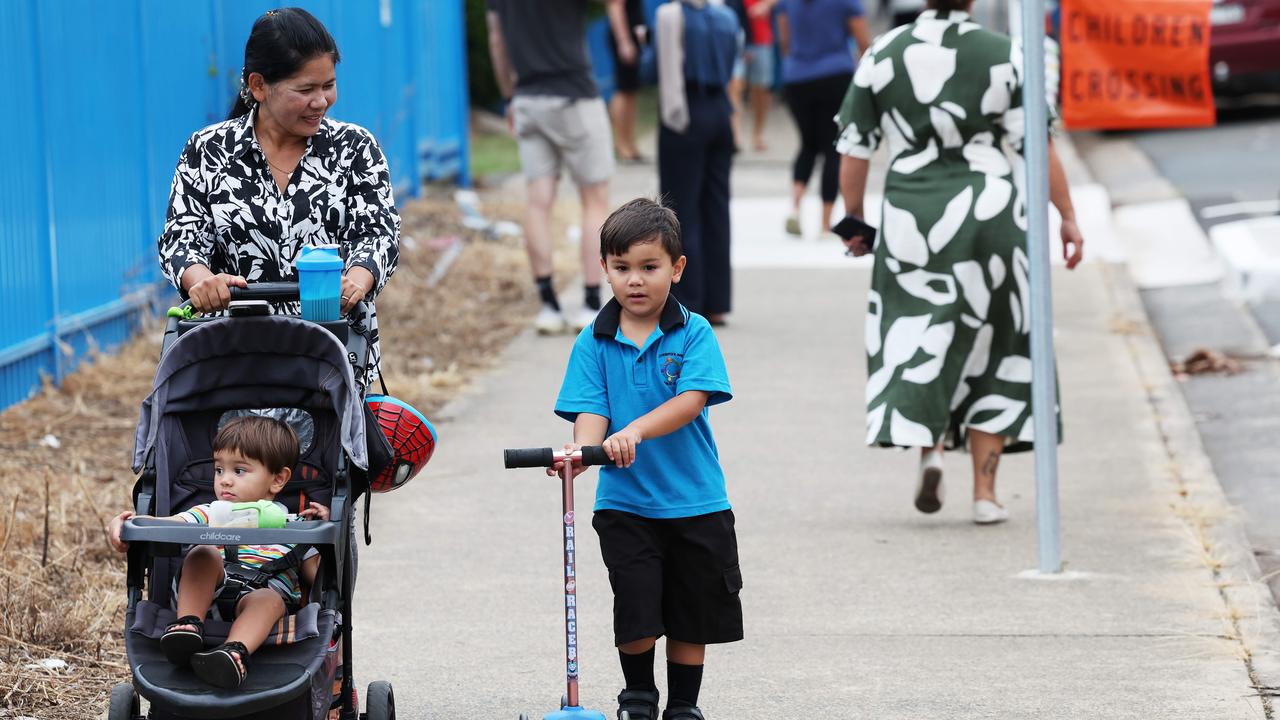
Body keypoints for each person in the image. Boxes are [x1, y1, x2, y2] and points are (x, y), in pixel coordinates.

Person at [835, 0, 1085, 524]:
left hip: (912, 216)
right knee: (996, 343)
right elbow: (1038, 143)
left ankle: (930, 448)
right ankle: (985, 494)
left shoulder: (884, 52)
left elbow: (855, 148)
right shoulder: (1007, 55)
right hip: (992, 212)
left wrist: (855, 220)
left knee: (918, 331)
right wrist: (1066, 216)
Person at [552, 198, 742, 720]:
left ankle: (684, 704)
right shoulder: (594, 340)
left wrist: (634, 429)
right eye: (621, 268)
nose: (634, 281)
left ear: (676, 269)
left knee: (691, 609)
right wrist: (581, 453)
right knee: (635, 602)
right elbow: (591, 410)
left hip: (696, 500)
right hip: (626, 504)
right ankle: (638, 694)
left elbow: (691, 400)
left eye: (649, 267)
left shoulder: (694, 332)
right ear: (606, 271)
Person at [157, 7, 400, 392]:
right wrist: (201, 280)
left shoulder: (355, 149)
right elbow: (181, 238)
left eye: (328, 86)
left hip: (334, 363)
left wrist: (357, 277)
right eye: (306, 90)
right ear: (258, 86)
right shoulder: (208, 152)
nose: (321, 101)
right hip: (233, 364)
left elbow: (379, 233)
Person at [107, 416, 329, 689]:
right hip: (207, 596)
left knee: (269, 599)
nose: (225, 481)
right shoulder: (210, 512)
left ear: (278, 479)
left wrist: (324, 531)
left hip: (261, 607)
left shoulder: (296, 526)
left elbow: (317, 576)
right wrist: (129, 525)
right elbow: (166, 525)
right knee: (203, 553)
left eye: (239, 471)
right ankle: (187, 627)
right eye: (218, 470)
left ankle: (233, 653)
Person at [487, 0, 635, 334]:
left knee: (538, 201)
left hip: (527, 99)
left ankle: (549, 305)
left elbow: (497, 40)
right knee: (595, 200)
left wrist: (510, 96)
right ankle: (591, 301)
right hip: (575, 95)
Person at [655, 0, 741, 325]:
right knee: (717, 208)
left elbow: (666, 70)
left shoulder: (670, 14)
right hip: (720, 110)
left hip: (687, 112)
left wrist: (675, 119)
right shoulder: (726, 15)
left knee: (680, 210)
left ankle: (689, 301)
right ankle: (717, 301)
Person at [776, 0, 871, 239]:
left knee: (807, 143)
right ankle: (825, 223)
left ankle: (795, 208)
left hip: (797, 76)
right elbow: (862, 41)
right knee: (832, 147)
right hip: (834, 74)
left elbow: (784, 40)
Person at [727, 0, 777, 153]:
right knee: (734, 86)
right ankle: (734, 136)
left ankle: (758, 133)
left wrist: (766, 5)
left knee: (760, 90)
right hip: (736, 37)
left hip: (760, 39)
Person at [610, 0, 649, 163]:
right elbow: (615, 7)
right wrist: (624, 41)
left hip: (633, 38)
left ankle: (630, 143)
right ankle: (621, 144)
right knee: (623, 90)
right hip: (625, 40)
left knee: (631, 91)